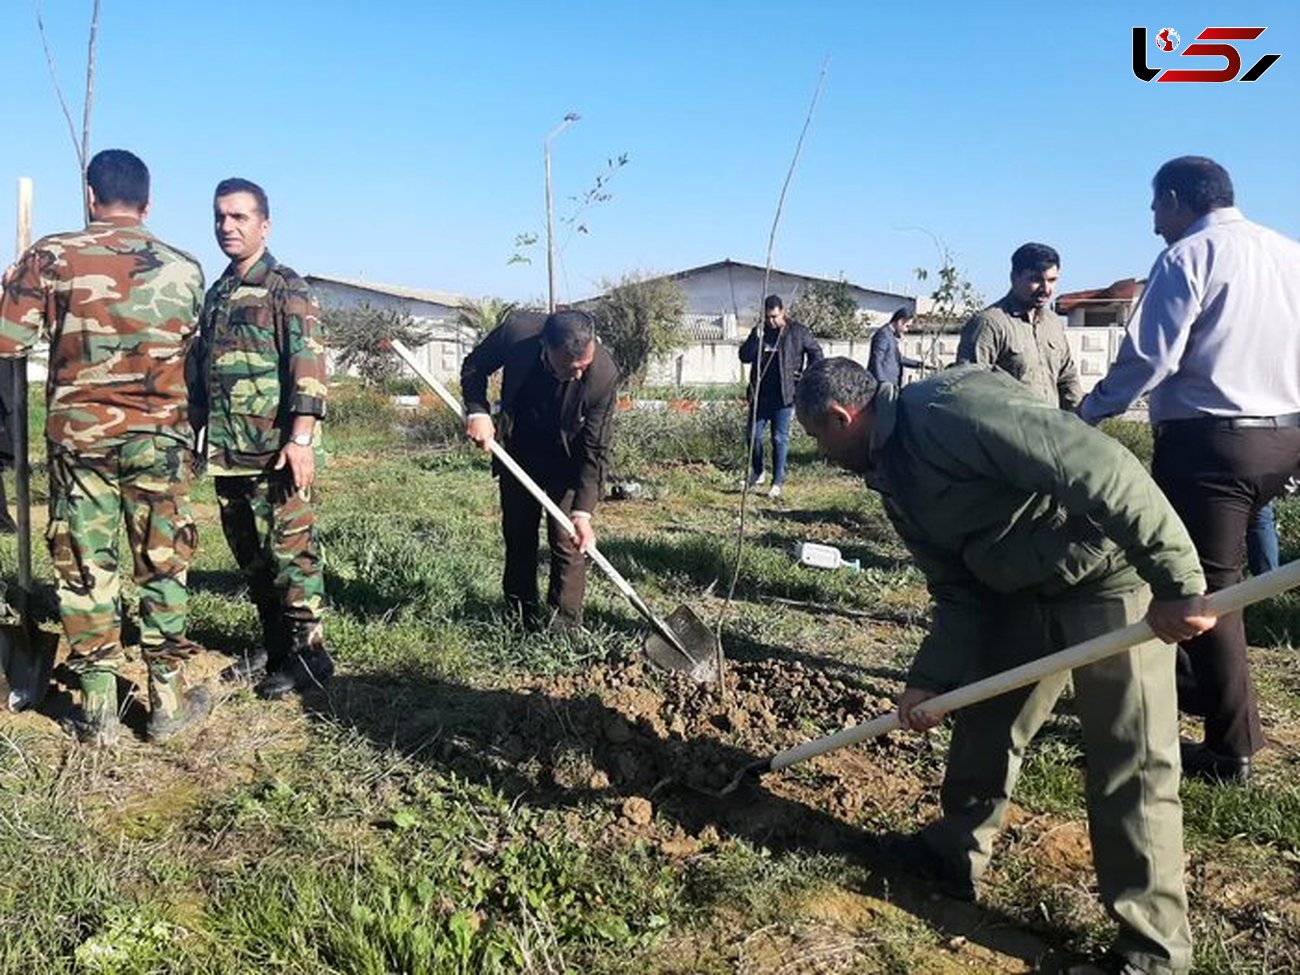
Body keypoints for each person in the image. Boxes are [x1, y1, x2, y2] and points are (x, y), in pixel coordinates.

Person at [796, 356, 1214, 975]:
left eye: (818, 440)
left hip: (1106, 581)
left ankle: (1153, 951)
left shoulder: (950, 412)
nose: (823, 455)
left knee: (1131, 761)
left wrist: (1178, 578)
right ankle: (951, 855)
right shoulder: (891, 473)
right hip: (1018, 591)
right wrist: (930, 679)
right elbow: (956, 588)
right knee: (984, 723)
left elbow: (1099, 464)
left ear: (841, 416)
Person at [1079, 156, 1300, 785]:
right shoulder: (1289, 253)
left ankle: (1233, 750)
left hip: (1211, 446)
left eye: (1155, 208)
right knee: (1209, 577)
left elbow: (1151, 356)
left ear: (1176, 199)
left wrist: (1090, 413)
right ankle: (1193, 689)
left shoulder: (1189, 256)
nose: (1154, 224)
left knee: (1204, 593)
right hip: (1282, 439)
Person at [0, 148, 210, 745]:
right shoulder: (186, 267)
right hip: (160, 439)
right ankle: (165, 698)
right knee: (162, 560)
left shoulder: (51, 254)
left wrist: (13, 287)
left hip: (81, 440)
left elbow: (7, 342)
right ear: (148, 202)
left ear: (90, 195)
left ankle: (98, 707)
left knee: (86, 561)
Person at [189, 177, 333, 700]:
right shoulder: (219, 292)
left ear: (264, 225)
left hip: (276, 452)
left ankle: (311, 655)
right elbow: (202, 371)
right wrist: (193, 431)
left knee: (292, 554)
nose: (227, 226)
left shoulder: (285, 287)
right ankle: (274, 647)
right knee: (251, 556)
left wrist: (301, 438)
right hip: (229, 453)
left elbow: (308, 364)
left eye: (239, 217)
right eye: (220, 216)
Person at [461, 308, 619, 630]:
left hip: (568, 459)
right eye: (568, 366)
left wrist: (583, 512)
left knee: (568, 540)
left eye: (582, 367)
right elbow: (474, 366)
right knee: (519, 535)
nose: (576, 374)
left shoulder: (603, 374)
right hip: (519, 449)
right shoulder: (516, 334)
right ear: (546, 347)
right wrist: (478, 412)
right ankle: (520, 619)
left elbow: (595, 448)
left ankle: (564, 628)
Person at [956, 242, 1081, 410]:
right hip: (1008, 433)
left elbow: (1067, 378)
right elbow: (970, 389)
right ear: (1014, 277)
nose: (1046, 289)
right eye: (1036, 280)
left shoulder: (1053, 323)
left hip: (1050, 432)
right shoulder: (990, 324)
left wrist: (1079, 423)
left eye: (1052, 280)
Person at [738, 295, 823, 498]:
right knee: (753, 435)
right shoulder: (761, 332)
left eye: (775, 317)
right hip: (760, 395)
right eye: (767, 317)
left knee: (779, 438)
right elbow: (744, 356)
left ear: (783, 311)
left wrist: (804, 377)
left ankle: (777, 481)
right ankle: (758, 472)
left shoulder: (797, 332)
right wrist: (754, 336)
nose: (771, 321)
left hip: (784, 396)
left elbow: (816, 354)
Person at [866, 307, 924, 387]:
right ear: (900, 322)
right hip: (882, 386)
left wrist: (920, 365)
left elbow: (899, 359)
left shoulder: (890, 335)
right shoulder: (883, 335)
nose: (906, 330)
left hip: (891, 385)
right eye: (907, 326)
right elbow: (876, 361)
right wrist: (882, 383)